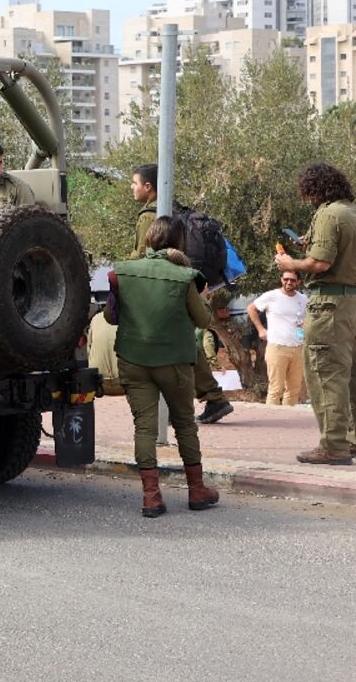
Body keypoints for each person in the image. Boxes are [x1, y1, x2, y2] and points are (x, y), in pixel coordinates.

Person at [107, 215, 219, 517]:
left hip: (133, 360)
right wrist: (204, 297)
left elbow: (110, 317)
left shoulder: (123, 272)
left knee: (144, 427)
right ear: (180, 242)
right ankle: (197, 490)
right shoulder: (185, 277)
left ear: (149, 239)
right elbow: (203, 320)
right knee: (184, 424)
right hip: (174, 363)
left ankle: (151, 497)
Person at [275, 163, 356, 465]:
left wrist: (290, 263)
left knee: (326, 373)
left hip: (329, 304)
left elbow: (320, 264)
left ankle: (333, 446)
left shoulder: (329, 214)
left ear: (314, 189)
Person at [129, 162, 235, 424]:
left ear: (148, 186)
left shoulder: (149, 216)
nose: (132, 188)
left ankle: (175, 407)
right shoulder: (174, 209)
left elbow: (144, 255)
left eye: (134, 183)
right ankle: (212, 398)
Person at [247, 272, 308, 405]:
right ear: (281, 279)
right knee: (276, 389)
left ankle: (288, 416)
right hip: (277, 347)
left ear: (298, 282)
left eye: (292, 280)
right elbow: (251, 308)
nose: (289, 282)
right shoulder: (272, 296)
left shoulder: (303, 299)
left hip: (298, 347)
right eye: (286, 279)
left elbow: (306, 318)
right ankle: (272, 417)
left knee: (294, 389)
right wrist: (260, 329)